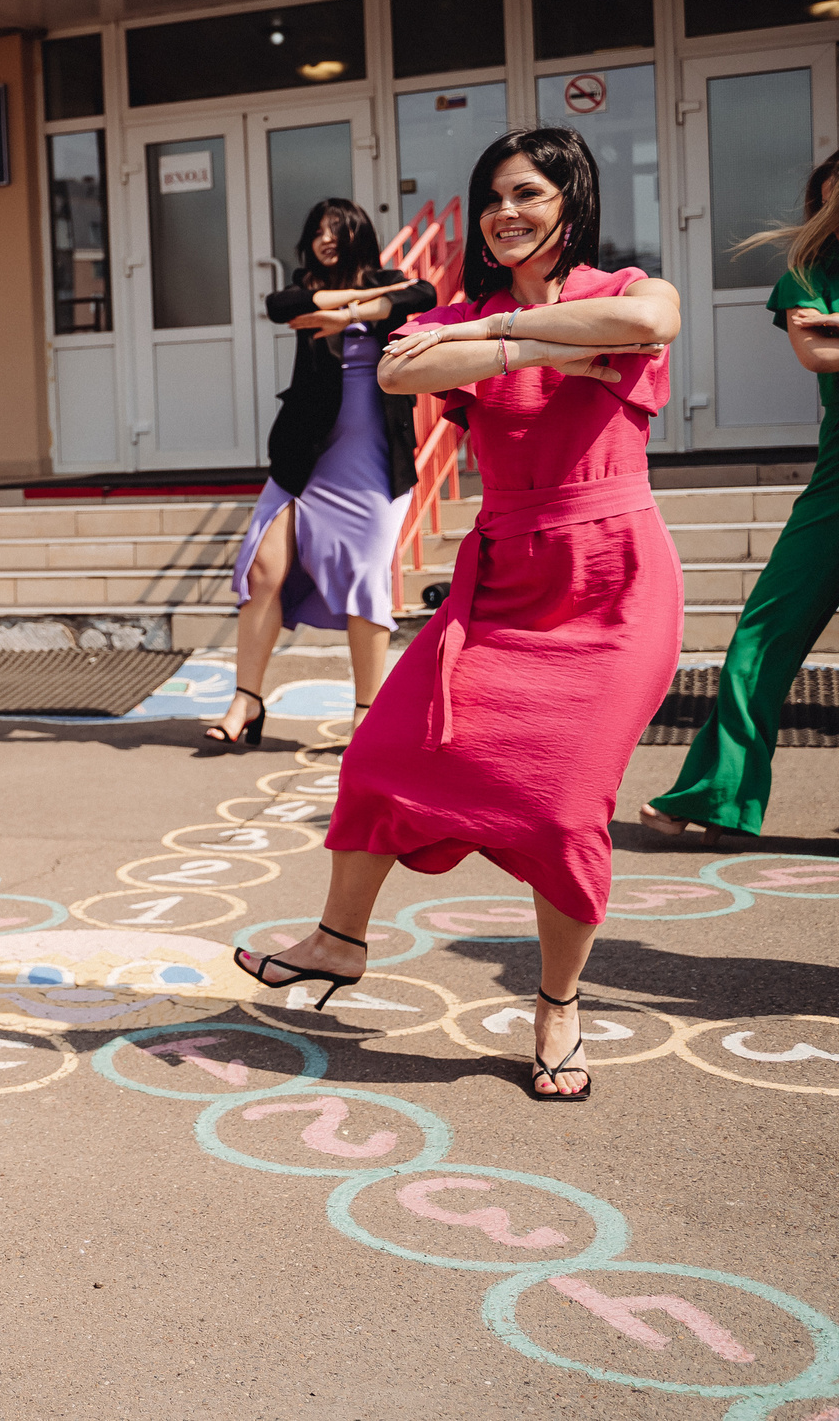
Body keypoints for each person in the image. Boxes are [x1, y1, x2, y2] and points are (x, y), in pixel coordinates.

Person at [233, 127, 679, 1106]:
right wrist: (535, 341)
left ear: (570, 201)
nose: (503, 215)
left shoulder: (619, 288)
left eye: (526, 194)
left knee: (561, 809)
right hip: (502, 578)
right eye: (489, 199)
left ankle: (556, 1003)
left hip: (610, 582)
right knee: (383, 753)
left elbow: (653, 322)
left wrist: (501, 345)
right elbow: (397, 369)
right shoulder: (469, 312)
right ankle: (340, 940)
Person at [642, 149, 839, 843]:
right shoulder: (807, 277)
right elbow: (816, 351)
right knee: (759, 639)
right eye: (830, 194)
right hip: (834, 493)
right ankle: (715, 794)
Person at [206, 200, 435, 745]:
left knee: (365, 578)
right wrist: (351, 306)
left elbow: (421, 294)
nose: (326, 239)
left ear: (358, 234)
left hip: (374, 460)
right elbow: (280, 303)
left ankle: (365, 712)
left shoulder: (390, 282)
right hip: (306, 456)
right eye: (318, 231)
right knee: (263, 571)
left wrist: (356, 311)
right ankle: (247, 701)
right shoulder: (303, 285)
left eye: (337, 230)